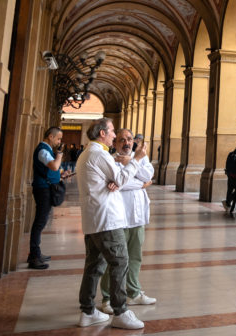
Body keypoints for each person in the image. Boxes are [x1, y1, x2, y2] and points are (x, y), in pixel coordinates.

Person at [75, 117, 147, 329]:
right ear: (102, 133)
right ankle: (121, 311)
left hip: (94, 218)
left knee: (94, 265)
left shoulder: (88, 154)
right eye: (113, 131)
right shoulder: (99, 154)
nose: (115, 135)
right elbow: (122, 179)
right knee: (120, 262)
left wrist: (116, 178)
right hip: (107, 219)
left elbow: (116, 179)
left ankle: (87, 311)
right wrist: (137, 159)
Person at [100, 130, 156, 313]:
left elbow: (148, 175)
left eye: (130, 139)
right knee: (115, 259)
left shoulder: (139, 157)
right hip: (118, 218)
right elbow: (116, 182)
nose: (126, 143)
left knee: (135, 257)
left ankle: (134, 292)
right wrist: (141, 184)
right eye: (122, 140)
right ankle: (107, 297)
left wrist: (132, 165)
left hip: (137, 217)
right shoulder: (109, 159)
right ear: (115, 143)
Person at [29, 127, 69, 269]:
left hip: (46, 188)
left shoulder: (46, 150)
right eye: (58, 138)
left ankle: (36, 253)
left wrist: (60, 175)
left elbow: (52, 170)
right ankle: (34, 256)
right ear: (50, 137)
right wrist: (59, 156)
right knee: (40, 222)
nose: (59, 142)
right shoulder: (43, 150)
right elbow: (53, 166)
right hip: (43, 190)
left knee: (42, 221)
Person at [222, 141, 236, 215]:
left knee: (230, 189)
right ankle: (230, 201)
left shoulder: (231, 154)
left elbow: (227, 164)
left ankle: (228, 203)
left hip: (230, 175)